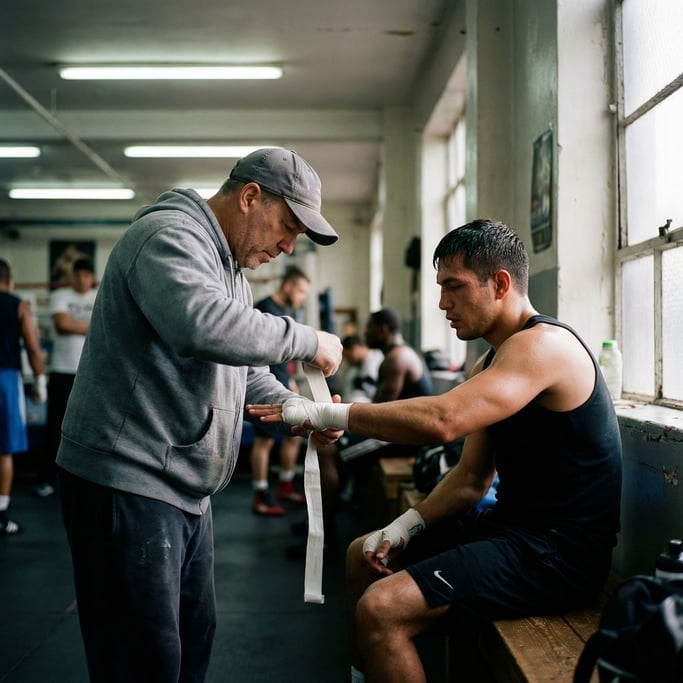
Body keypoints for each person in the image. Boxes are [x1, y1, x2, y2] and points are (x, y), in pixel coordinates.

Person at [248, 219, 623, 683]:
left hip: (559, 556)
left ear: (500, 284)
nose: (443, 302)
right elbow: (471, 479)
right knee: (360, 554)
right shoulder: (491, 358)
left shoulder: (545, 347)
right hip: (513, 532)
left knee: (382, 609)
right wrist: (406, 525)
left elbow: (444, 421)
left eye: (454, 287)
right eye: (440, 287)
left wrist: (328, 414)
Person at [55, 147, 344, 682]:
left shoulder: (229, 267)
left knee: (192, 641)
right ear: (251, 197)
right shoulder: (169, 237)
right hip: (130, 480)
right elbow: (201, 325)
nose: (286, 246)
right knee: (143, 660)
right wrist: (307, 340)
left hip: (184, 486)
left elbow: (235, 364)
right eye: (286, 227)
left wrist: (296, 406)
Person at [33, 257, 97, 498]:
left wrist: (77, 324)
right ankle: (47, 479)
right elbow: (62, 324)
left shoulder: (100, 296)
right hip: (61, 370)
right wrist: (90, 325)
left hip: (91, 372)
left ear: (92, 278)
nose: (82, 279)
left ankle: (87, 482)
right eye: (78, 275)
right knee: (55, 428)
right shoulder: (59, 296)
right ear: (73, 276)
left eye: (86, 275)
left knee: (92, 428)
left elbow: (99, 326)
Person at [250, 265, 311, 516]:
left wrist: (292, 381)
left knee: (293, 434)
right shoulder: (264, 308)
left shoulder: (287, 311)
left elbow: (287, 350)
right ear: (288, 286)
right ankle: (260, 494)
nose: (303, 297)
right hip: (263, 385)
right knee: (264, 441)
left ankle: (285, 485)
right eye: (301, 291)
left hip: (284, 382)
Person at [0, 258, 47, 535]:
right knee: (4, 449)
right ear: (9, 279)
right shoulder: (19, 305)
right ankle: (1, 514)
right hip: (5, 378)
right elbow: (32, 346)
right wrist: (39, 381)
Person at [339, 334, 384, 404]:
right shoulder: (356, 366)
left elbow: (370, 390)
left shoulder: (374, 359)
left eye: (347, 356)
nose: (347, 360)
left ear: (354, 349)